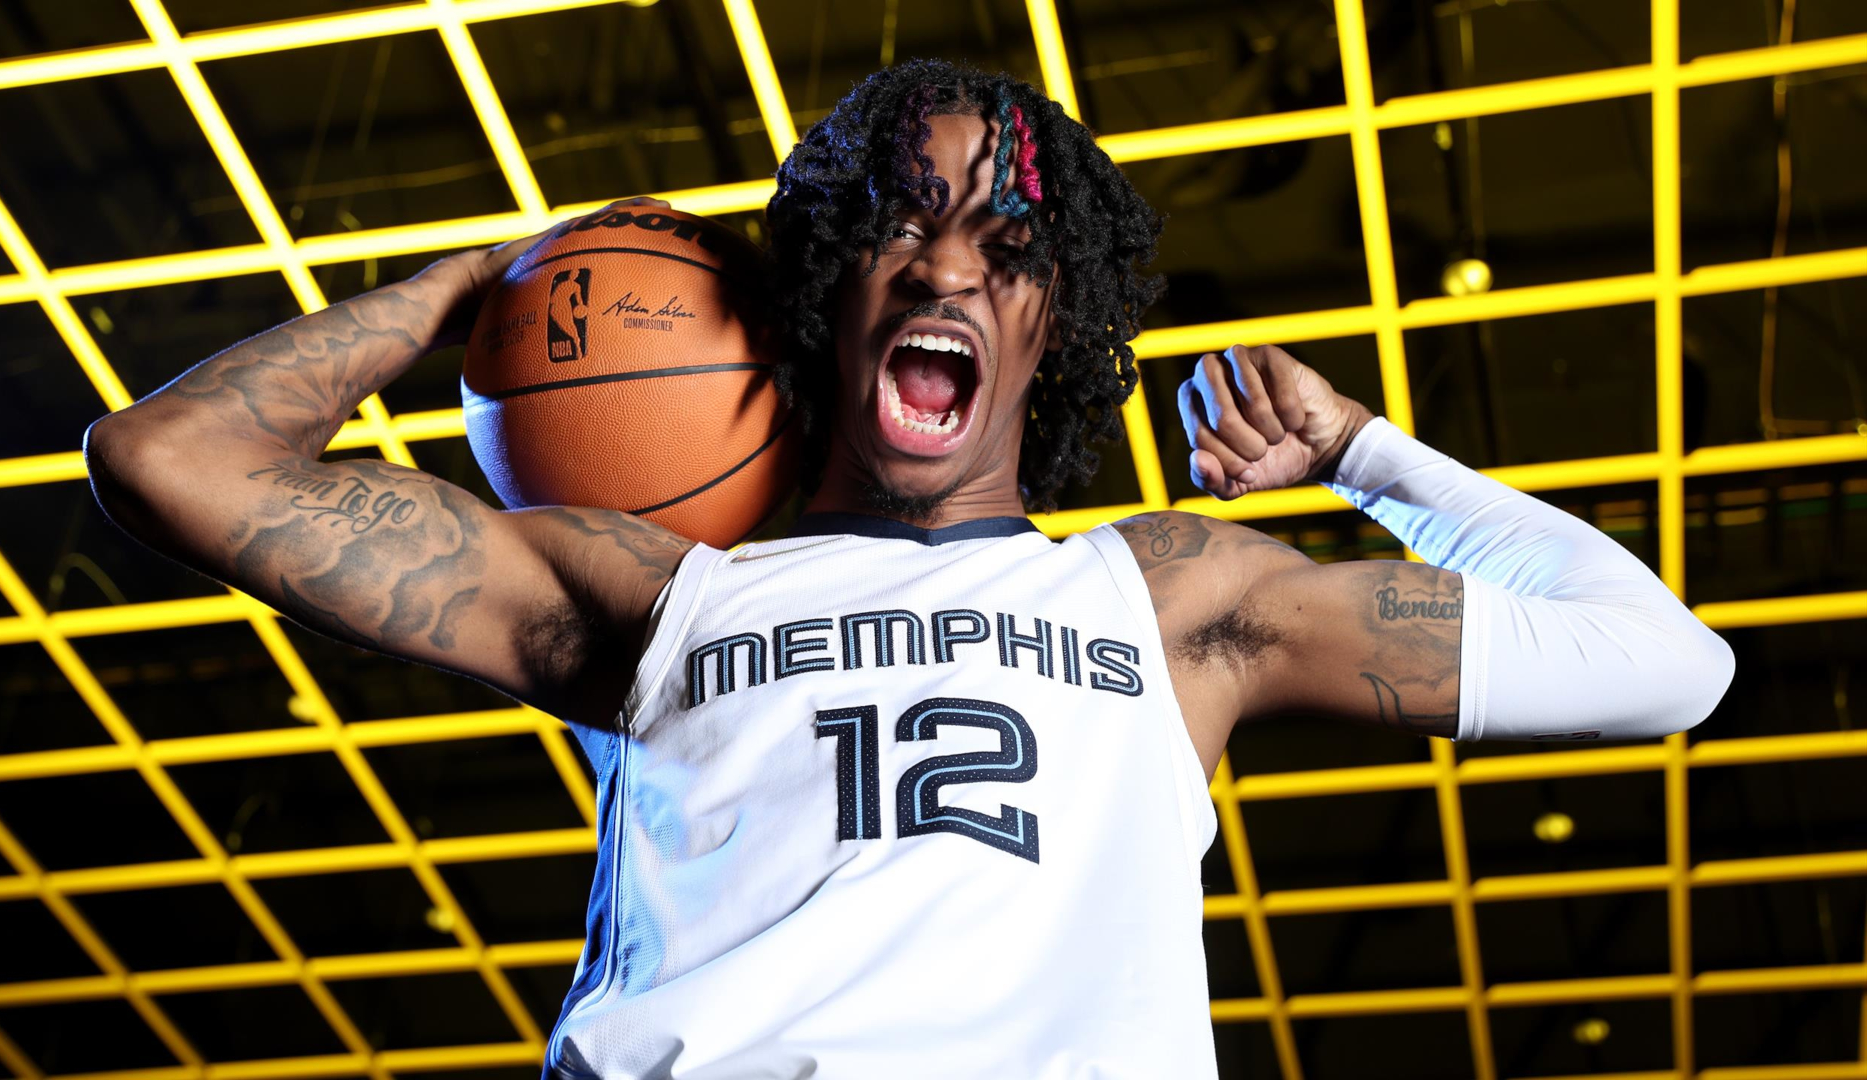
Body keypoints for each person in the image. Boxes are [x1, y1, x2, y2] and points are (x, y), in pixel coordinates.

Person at [85, 60, 1733, 1079]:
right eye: (899, 225)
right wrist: (477, 293)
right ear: (827, 288)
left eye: (1007, 251)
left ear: (1052, 327)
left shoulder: (1170, 600)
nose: (947, 268)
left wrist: (1369, 454)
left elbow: (1667, 662)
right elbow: (170, 463)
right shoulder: (657, 591)